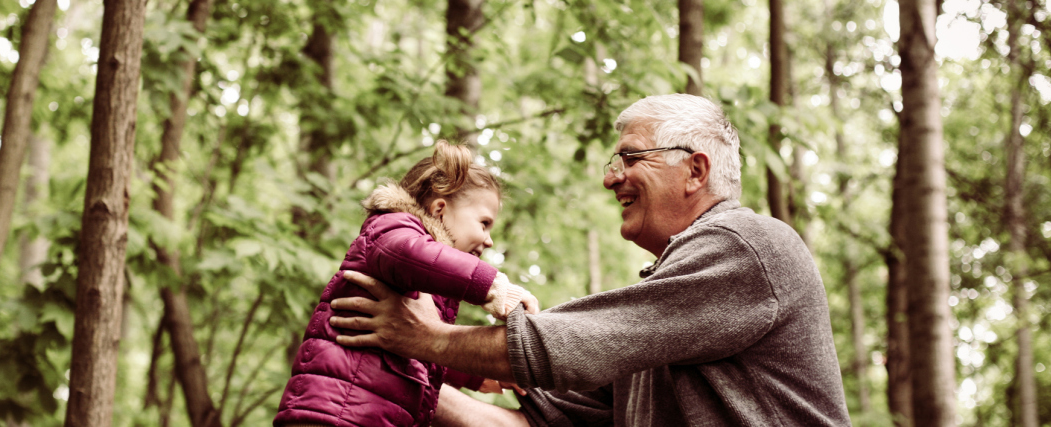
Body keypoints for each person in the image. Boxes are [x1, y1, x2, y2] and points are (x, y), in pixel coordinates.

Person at [328, 94, 852, 426]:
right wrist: (384, 363)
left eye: (630, 157)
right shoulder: (659, 328)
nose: (609, 177)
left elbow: (557, 347)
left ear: (695, 171)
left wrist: (424, 339)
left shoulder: (746, 244)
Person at [274, 140, 542, 427]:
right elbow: (406, 253)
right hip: (335, 411)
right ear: (439, 209)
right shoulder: (393, 228)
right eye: (484, 223)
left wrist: (479, 375)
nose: (489, 241)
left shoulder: (429, 280)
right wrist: (494, 288)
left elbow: (420, 348)